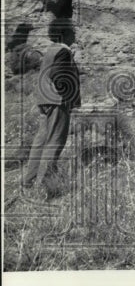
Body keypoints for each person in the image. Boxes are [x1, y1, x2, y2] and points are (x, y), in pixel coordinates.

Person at [22, 42, 81, 191]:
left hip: (44, 99)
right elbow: (58, 75)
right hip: (57, 100)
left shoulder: (51, 50)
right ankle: (44, 184)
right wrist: (67, 92)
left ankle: (29, 181)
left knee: (41, 141)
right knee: (55, 140)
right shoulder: (63, 51)